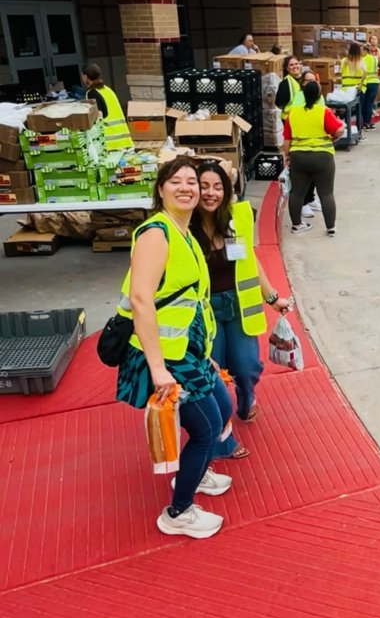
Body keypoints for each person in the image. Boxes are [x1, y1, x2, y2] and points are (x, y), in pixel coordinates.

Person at [114, 157, 234, 540]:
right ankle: (178, 512)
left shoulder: (183, 233)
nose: (187, 187)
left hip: (189, 351)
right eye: (176, 181)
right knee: (207, 429)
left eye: (192, 182)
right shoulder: (156, 233)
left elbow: (190, 304)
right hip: (166, 358)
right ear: (161, 190)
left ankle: (196, 472)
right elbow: (140, 300)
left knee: (224, 407)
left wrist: (206, 353)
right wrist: (158, 369)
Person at [191, 161, 291, 460]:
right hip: (205, 311)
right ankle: (222, 439)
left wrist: (272, 297)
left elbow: (250, 261)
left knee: (247, 367)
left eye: (218, 187)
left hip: (238, 307)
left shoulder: (236, 219)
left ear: (228, 191)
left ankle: (246, 400)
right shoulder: (184, 226)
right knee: (214, 375)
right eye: (204, 186)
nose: (210, 193)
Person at [282, 80, 345, 235]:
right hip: (323, 157)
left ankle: (297, 225)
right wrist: (333, 138)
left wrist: (287, 156)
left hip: (299, 157)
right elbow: (339, 130)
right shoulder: (323, 111)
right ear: (318, 96)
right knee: (326, 193)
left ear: (303, 94)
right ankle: (330, 228)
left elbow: (286, 141)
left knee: (296, 192)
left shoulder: (293, 113)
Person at [276, 57, 321, 220]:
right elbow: (280, 103)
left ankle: (310, 199)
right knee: (300, 169)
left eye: (297, 64)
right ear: (286, 68)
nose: (295, 67)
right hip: (294, 129)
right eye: (292, 65)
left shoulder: (305, 84)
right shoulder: (287, 83)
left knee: (312, 168)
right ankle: (302, 203)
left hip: (307, 131)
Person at [81, 63, 132, 152]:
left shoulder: (92, 93)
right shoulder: (107, 90)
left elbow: (98, 116)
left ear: (85, 77)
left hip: (110, 144)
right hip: (125, 142)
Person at [338, 42, 365, 135]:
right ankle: (359, 132)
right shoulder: (360, 61)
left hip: (345, 89)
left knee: (347, 110)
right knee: (358, 110)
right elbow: (364, 74)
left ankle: (347, 130)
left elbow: (340, 72)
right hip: (356, 89)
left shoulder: (344, 61)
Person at [360, 43, 380, 130]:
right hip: (375, 83)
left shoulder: (362, 59)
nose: (360, 52)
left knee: (363, 104)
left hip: (365, 83)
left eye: (361, 50)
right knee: (369, 104)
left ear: (365, 50)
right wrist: (379, 77)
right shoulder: (375, 59)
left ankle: (362, 123)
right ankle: (367, 123)